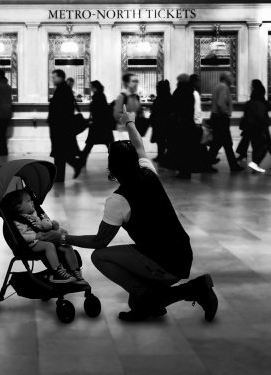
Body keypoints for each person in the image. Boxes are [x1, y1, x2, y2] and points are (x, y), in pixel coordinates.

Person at [40, 106, 218, 322]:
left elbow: (99, 242)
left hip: (165, 263)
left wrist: (62, 238)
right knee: (135, 302)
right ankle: (151, 299)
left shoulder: (118, 200)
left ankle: (186, 291)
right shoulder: (147, 172)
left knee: (101, 258)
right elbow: (139, 146)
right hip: (181, 253)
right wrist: (129, 121)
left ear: (112, 167)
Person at [2, 189, 86, 284]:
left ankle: (76, 272)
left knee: (66, 245)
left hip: (44, 237)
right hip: (31, 244)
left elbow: (44, 224)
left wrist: (53, 226)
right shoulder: (18, 220)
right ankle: (56, 272)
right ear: (19, 207)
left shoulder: (35, 214)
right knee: (48, 246)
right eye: (28, 201)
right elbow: (22, 236)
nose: (32, 202)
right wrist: (36, 236)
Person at [48, 69, 83, 182]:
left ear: (60, 77)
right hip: (61, 127)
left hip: (60, 127)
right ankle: (61, 175)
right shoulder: (64, 89)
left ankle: (64, 173)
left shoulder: (63, 89)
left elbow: (61, 110)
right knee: (61, 152)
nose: (52, 80)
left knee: (59, 152)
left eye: (54, 77)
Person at [208, 72, 244, 172]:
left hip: (216, 117)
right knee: (224, 143)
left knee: (219, 143)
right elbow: (221, 103)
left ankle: (207, 162)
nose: (232, 77)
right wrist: (227, 113)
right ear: (225, 78)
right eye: (230, 76)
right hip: (221, 118)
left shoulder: (218, 87)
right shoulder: (224, 87)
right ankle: (233, 165)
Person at [240, 80, 271, 173]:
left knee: (255, 146)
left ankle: (255, 164)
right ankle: (255, 162)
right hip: (261, 127)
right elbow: (263, 114)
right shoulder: (262, 103)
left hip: (251, 127)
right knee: (266, 145)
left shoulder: (250, 103)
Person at [81, 80, 114, 166]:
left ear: (95, 87)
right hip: (103, 125)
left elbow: (98, 111)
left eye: (91, 87)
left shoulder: (97, 97)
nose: (91, 89)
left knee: (90, 144)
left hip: (97, 124)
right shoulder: (101, 96)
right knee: (108, 143)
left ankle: (82, 160)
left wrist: (92, 119)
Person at [170, 74, 197, 179]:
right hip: (188, 123)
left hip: (180, 124)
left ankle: (183, 170)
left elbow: (174, 108)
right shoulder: (190, 92)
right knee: (187, 149)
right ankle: (187, 170)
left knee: (181, 148)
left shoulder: (179, 92)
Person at [189, 74, 217, 173]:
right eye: (198, 81)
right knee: (201, 145)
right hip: (196, 122)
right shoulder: (195, 94)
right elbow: (197, 109)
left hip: (194, 122)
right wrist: (198, 121)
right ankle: (206, 165)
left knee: (199, 146)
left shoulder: (190, 93)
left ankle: (204, 165)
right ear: (195, 82)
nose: (200, 83)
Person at [150, 80, 172, 163]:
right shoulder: (169, 98)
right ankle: (163, 155)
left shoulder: (160, 98)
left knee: (160, 140)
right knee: (164, 140)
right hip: (166, 123)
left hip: (160, 123)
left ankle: (161, 155)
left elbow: (155, 109)